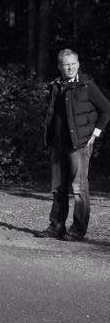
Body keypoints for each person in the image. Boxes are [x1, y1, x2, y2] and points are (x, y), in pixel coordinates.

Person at [39, 49, 110, 241]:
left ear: (78, 64)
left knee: (79, 190)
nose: (70, 67)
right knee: (58, 188)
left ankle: (77, 230)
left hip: (79, 144)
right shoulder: (55, 86)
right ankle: (56, 227)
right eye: (66, 64)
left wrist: (95, 134)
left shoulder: (87, 85)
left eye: (73, 64)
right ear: (59, 66)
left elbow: (106, 109)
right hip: (57, 144)